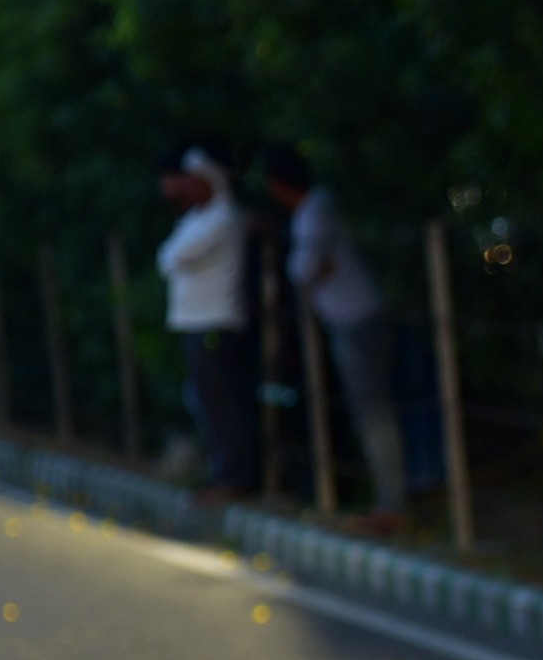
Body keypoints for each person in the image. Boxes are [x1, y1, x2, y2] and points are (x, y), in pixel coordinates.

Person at [264, 148, 407, 524]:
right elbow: (309, 268)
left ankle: (391, 504)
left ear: (278, 185)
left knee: (372, 414)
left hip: (357, 321)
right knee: (368, 413)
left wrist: (305, 266)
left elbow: (302, 270)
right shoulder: (314, 209)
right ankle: (386, 500)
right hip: (349, 321)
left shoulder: (315, 210)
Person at [154, 148, 256, 495]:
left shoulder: (223, 217)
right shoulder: (199, 218)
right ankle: (223, 472)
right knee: (206, 401)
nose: (186, 187)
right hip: (197, 323)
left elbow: (174, 256)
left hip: (215, 323)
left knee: (223, 403)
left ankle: (234, 477)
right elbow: (167, 257)